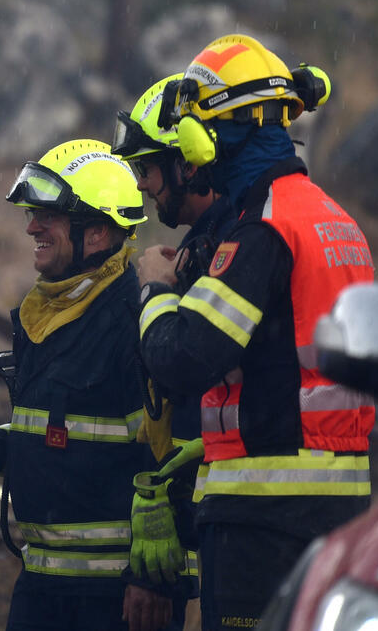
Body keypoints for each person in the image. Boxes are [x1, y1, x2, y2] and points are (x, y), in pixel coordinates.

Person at [134, 34, 373, 630]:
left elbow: (184, 358)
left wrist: (157, 291)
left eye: (190, 131)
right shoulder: (334, 221)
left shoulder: (262, 229)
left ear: (215, 133)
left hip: (261, 518)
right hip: (339, 514)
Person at [0, 140, 171, 631]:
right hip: (42, 583)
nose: (31, 226)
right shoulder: (48, 316)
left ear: (98, 233)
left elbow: (166, 459)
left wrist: (153, 581)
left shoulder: (135, 325)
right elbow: (65, 435)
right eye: (33, 215)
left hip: (112, 598)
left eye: (49, 216)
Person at [112, 74, 239, 629]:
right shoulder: (210, 240)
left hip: (237, 524)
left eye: (147, 169)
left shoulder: (233, 244)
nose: (143, 187)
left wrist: (156, 290)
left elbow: (182, 374)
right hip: (222, 523)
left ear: (185, 164)